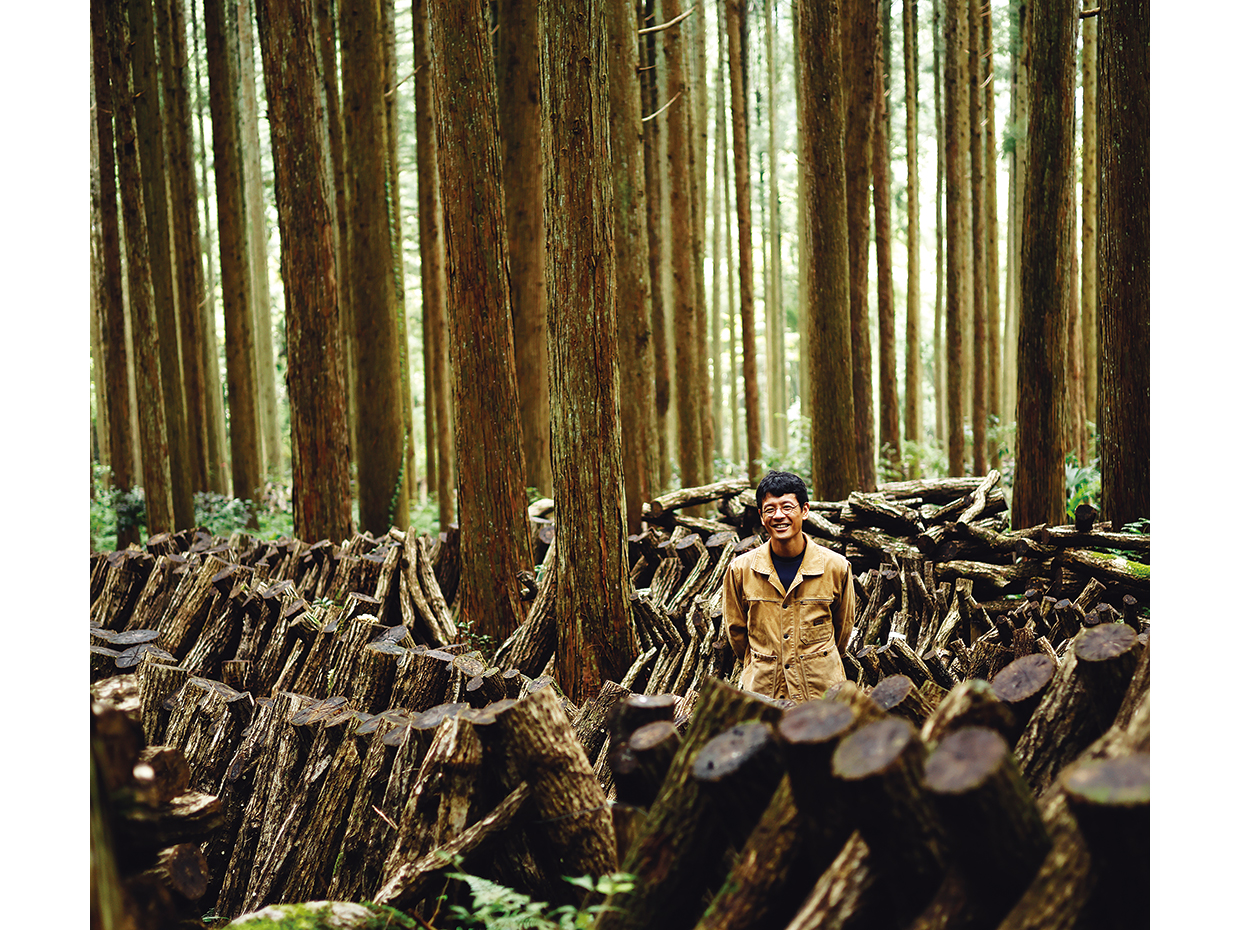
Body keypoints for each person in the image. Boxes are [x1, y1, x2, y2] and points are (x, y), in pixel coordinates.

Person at [723, 470, 855, 703]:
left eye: (787, 507)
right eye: (770, 509)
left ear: (804, 510)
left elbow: (842, 630)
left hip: (822, 696)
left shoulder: (836, 567)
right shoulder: (740, 570)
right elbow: (737, 633)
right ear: (761, 516)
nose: (779, 516)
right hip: (764, 696)